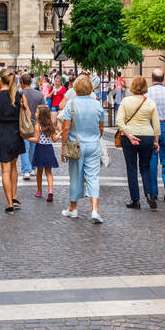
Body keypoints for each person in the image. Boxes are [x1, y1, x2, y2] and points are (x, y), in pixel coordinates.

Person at [59, 74, 105, 224]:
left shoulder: (71, 104)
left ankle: (73, 208)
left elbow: (66, 128)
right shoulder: (97, 105)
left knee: (75, 176)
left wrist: (63, 147)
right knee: (93, 177)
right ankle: (95, 210)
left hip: (76, 145)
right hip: (93, 145)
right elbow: (101, 128)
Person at [116, 75, 160, 210]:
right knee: (145, 167)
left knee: (132, 168)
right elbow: (156, 124)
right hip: (147, 136)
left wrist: (129, 135)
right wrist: (156, 141)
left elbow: (119, 121)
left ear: (133, 86)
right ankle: (148, 194)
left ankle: (135, 199)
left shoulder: (126, 101)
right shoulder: (150, 102)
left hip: (129, 136)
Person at [0, 72, 29, 213]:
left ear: (0, 80)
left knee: (5, 170)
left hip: (2, 133)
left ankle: (9, 203)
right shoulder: (18, 95)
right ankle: (15, 196)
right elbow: (28, 115)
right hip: (16, 134)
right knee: (13, 167)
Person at [144, 69, 165, 204]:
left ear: (152, 79)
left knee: (152, 159)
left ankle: (153, 192)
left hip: (151, 127)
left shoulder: (146, 93)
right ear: (163, 79)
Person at [19, 74, 45, 184]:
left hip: (24, 124)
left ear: (22, 82)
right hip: (36, 123)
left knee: (24, 147)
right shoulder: (39, 94)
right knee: (33, 147)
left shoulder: (20, 94)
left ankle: (26, 170)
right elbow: (43, 110)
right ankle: (33, 168)